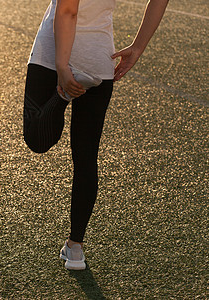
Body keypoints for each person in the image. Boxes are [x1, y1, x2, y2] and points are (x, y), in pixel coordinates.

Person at [23, 0, 169, 270]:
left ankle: (61, 95)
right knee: (86, 155)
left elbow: (68, 9)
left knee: (37, 139)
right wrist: (137, 48)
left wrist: (63, 66)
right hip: (99, 58)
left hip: (52, 53)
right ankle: (75, 247)